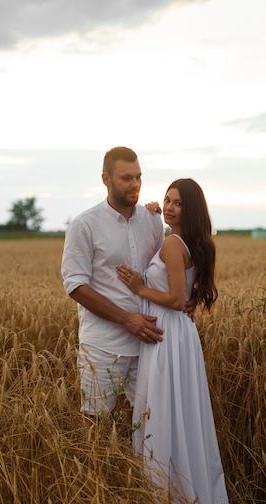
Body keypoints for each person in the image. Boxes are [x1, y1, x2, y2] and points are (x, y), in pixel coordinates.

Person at [116, 178, 230, 504]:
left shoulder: (171, 244)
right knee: (182, 415)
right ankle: (189, 496)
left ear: (189, 208)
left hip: (166, 333)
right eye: (166, 200)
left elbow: (178, 300)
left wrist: (139, 287)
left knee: (162, 414)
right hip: (180, 334)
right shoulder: (192, 243)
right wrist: (149, 210)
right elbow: (185, 296)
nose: (168, 207)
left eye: (177, 203)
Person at [61, 146, 165, 418]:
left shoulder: (152, 220)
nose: (135, 185)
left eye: (139, 177)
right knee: (95, 425)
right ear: (105, 179)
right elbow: (75, 285)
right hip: (102, 345)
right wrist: (125, 319)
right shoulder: (84, 225)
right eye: (126, 178)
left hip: (147, 343)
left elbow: (162, 272)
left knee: (147, 426)